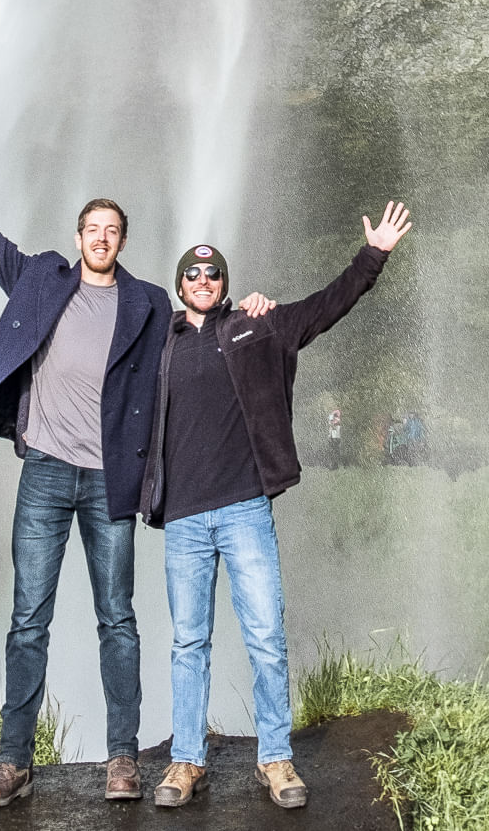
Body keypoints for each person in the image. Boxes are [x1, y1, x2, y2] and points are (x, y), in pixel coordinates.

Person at [0, 110, 168, 807]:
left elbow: (197, 342)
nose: (101, 238)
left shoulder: (149, 304)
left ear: (123, 241)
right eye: (92, 228)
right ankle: (13, 763)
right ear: (78, 237)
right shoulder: (40, 280)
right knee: (28, 619)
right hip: (47, 473)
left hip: (110, 480)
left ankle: (123, 759)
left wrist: (251, 310)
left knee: (117, 619)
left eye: (112, 230)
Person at [140, 201, 412, 811]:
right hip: (183, 517)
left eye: (212, 274)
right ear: (179, 286)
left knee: (265, 635)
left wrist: (373, 256)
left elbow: (324, 307)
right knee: (188, 642)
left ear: (225, 284)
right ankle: (187, 759)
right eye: (192, 274)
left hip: (244, 510)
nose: (203, 281)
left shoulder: (257, 327)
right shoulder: (160, 343)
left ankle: (275, 756)